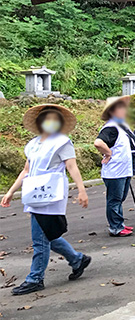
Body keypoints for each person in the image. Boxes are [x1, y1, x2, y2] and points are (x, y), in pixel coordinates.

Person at [0, 105, 91, 295]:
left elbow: (72, 166)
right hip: (34, 193)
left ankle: (35, 278)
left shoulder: (62, 142)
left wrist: (82, 190)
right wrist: (10, 192)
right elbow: (26, 170)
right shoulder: (33, 144)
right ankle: (77, 259)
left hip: (51, 193)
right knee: (48, 234)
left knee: (40, 239)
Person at [94, 96, 135, 237]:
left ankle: (119, 223)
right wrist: (108, 153)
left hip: (124, 169)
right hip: (115, 171)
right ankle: (115, 227)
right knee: (114, 199)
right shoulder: (111, 128)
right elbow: (98, 142)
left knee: (119, 198)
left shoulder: (122, 126)